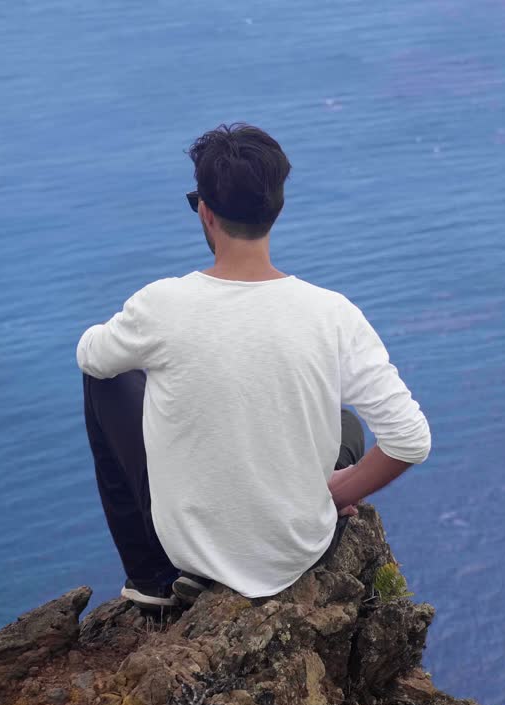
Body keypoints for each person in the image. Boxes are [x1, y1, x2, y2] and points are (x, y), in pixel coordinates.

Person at [77, 123, 431, 609]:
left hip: (192, 553)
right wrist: (336, 490)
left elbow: (91, 354)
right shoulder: (333, 314)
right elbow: (410, 439)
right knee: (345, 423)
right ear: (277, 209)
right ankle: (304, 498)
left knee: (107, 379)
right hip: (298, 550)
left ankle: (151, 577)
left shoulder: (162, 304)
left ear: (205, 212)